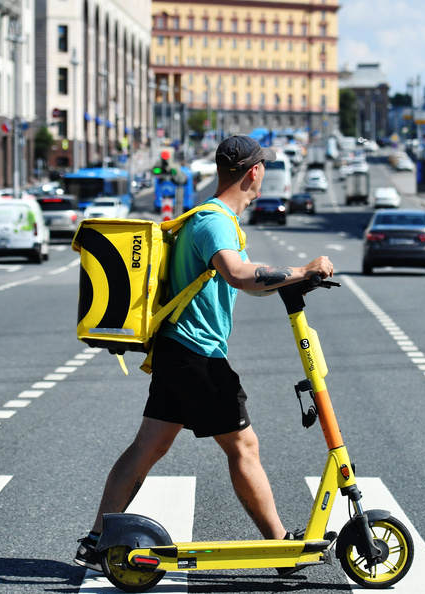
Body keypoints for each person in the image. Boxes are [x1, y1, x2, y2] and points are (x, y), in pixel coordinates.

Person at [74, 135, 335, 573]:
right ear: (254, 172)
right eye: (264, 167)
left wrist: (292, 280)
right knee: (244, 445)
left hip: (178, 350)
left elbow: (247, 282)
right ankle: (281, 548)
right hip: (196, 354)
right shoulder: (214, 222)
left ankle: (96, 539)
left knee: (147, 447)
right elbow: (238, 274)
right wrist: (302, 268)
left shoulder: (211, 218)